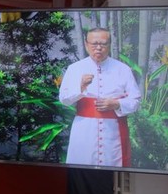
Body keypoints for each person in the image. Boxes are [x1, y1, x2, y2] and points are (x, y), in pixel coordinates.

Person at [58, 27, 141, 167]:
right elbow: (64, 99)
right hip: (84, 130)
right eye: (94, 44)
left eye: (103, 44)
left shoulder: (123, 69)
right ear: (86, 44)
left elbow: (135, 100)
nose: (98, 48)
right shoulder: (74, 68)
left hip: (112, 132)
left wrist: (116, 104)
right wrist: (81, 86)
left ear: (109, 45)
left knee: (112, 172)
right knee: (82, 171)